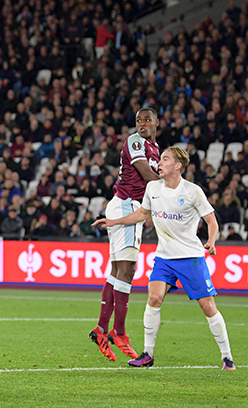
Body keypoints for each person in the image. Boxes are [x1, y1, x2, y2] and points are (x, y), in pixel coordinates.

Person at [93, 147, 235, 370]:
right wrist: (115, 221)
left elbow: (212, 221)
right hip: (164, 258)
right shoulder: (153, 188)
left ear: (178, 165)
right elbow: (142, 214)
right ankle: (147, 354)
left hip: (190, 257)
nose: (159, 163)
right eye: (160, 159)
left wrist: (212, 241)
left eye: (165, 159)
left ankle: (227, 356)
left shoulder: (192, 191)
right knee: (154, 298)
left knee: (208, 307)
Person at [89, 108, 161, 361]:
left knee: (118, 270)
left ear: (156, 123)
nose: (142, 124)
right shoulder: (135, 141)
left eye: (147, 120)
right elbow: (147, 175)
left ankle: (101, 329)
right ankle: (118, 332)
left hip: (131, 206)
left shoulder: (156, 148)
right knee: (126, 270)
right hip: (127, 204)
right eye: (139, 120)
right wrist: (173, 185)